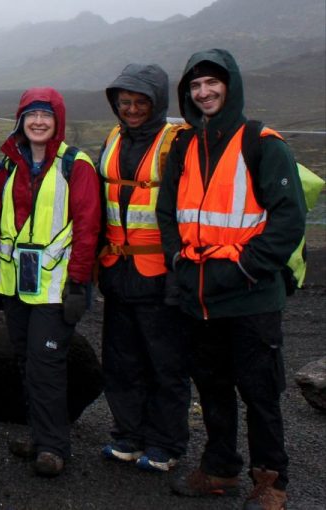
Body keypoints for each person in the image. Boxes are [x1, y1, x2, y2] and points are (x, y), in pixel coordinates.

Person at [157, 49, 305, 509]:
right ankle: (220, 469)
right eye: (195, 86)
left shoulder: (263, 143)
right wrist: (178, 260)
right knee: (212, 387)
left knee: (260, 391)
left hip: (250, 296)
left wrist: (245, 267)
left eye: (212, 83)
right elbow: (168, 212)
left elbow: (289, 219)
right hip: (198, 294)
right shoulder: (182, 145)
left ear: (231, 85)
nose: (203, 93)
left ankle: (271, 481)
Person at [0, 87, 100, 477]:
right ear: (21, 120)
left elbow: (87, 228)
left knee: (46, 363)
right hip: (17, 283)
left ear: (58, 121)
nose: (38, 122)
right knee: (25, 361)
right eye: (31, 115)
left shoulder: (76, 165)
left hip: (55, 286)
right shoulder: (9, 164)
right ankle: (38, 436)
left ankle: (53, 447)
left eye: (46, 115)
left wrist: (79, 284)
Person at [96, 64, 190, 472]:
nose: (131, 110)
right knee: (121, 360)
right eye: (125, 103)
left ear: (157, 103)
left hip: (160, 271)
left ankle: (165, 444)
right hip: (117, 269)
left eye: (139, 102)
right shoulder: (113, 138)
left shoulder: (177, 142)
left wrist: (179, 272)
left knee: (165, 363)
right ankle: (128, 436)